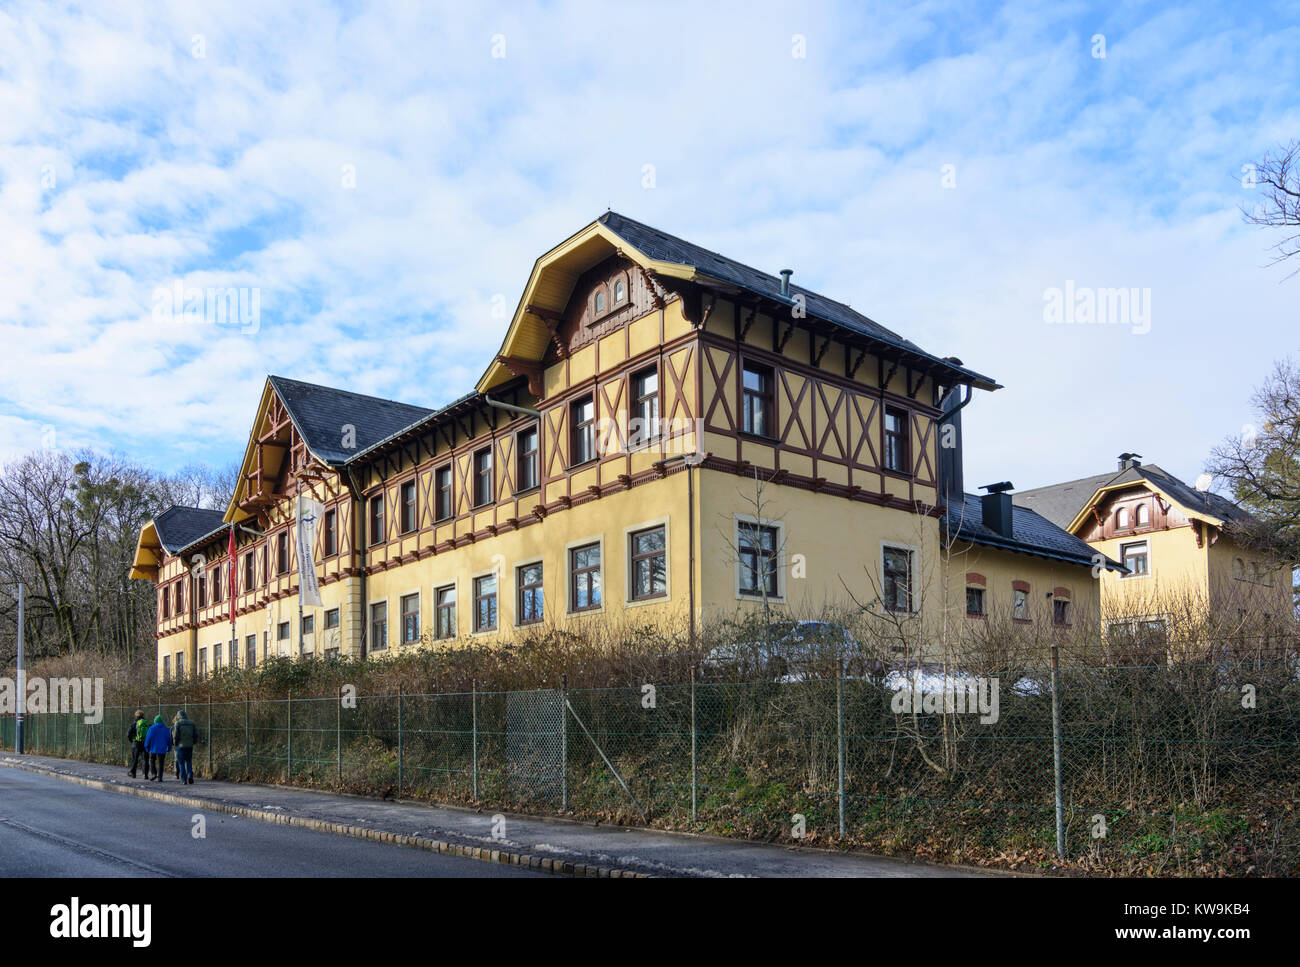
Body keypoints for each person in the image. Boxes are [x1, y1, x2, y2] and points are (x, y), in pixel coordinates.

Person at [172, 709, 198, 785]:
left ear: (178, 716)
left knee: (181, 762)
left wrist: (175, 744)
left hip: (180, 746)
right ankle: (190, 774)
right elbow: (195, 734)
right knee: (189, 761)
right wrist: (194, 742)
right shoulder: (192, 723)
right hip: (190, 745)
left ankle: (183, 779)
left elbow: (175, 735)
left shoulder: (177, 723)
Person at [143, 714, 173, 781]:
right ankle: (160, 777)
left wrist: (146, 747)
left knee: (152, 760)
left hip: (153, 748)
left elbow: (148, 738)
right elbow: (169, 739)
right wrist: (169, 747)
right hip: (163, 748)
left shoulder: (151, 728)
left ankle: (154, 773)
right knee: (161, 762)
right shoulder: (166, 729)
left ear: (155, 721)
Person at [127, 709, 151, 779]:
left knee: (135, 759)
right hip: (145, 743)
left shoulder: (134, 724)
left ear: (136, 715)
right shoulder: (147, 723)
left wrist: (132, 740)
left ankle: (133, 773)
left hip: (136, 743)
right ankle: (145, 774)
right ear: (143, 715)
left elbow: (128, 734)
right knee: (145, 759)